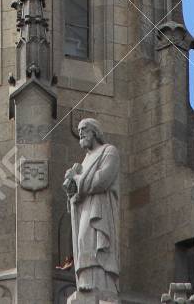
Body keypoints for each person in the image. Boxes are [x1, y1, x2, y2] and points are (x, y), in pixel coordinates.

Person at [63, 118, 120, 299]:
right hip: (85, 210)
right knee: (83, 242)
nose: (81, 133)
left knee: (96, 242)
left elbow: (101, 181)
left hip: (101, 209)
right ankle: (86, 283)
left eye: (84, 130)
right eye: (79, 131)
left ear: (95, 132)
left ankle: (101, 286)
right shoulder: (86, 160)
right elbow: (78, 194)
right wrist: (70, 186)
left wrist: (77, 179)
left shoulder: (109, 151)